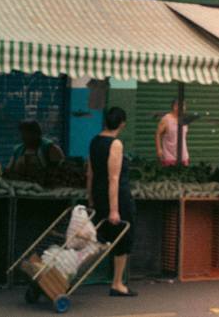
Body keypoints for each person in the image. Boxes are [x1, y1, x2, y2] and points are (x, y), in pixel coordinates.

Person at [87, 107, 137, 297]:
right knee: (122, 238)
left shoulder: (94, 141)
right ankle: (117, 283)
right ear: (122, 123)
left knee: (100, 236)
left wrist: (91, 197)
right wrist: (114, 210)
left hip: (99, 195)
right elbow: (114, 178)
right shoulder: (115, 144)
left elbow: (90, 173)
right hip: (116, 198)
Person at [155, 99, 189, 166]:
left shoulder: (184, 119)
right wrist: (159, 149)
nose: (184, 108)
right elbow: (158, 134)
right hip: (169, 155)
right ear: (175, 107)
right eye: (182, 106)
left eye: (184, 106)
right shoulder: (166, 119)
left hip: (183, 156)